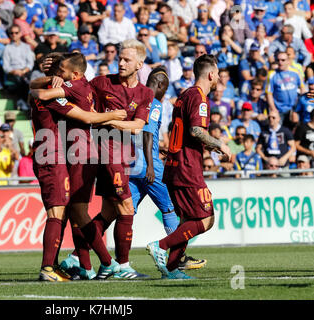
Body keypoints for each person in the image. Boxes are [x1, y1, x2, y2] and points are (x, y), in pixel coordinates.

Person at [29, 52, 127, 281]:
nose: (59, 74)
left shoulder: (70, 88)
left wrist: (109, 117)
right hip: (56, 155)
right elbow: (83, 115)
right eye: (58, 70)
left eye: (59, 70)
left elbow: (38, 89)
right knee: (66, 212)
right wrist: (111, 117)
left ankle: (90, 264)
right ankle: (79, 265)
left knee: (71, 211)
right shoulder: (55, 94)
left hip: (73, 155)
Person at [147, 54, 231, 280]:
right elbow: (196, 130)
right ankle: (161, 246)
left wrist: (207, 146)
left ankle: (172, 270)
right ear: (211, 74)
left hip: (175, 166)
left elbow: (188, 133)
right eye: (217, 75)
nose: (218, 80)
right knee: (206, 219)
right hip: (187, 168)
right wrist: (219, 143)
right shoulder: (199, 97)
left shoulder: (184, 95)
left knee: (187, 221)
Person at [76, 39, 154, 279]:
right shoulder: (101, 82)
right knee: (127, 209)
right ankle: (122, 266)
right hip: (105, 154)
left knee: (109, 211)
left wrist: (109, 119)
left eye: (126, 59)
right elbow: (78, 96)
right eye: (120, 58)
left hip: (123, 157)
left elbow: (137, 127)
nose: (120, 63)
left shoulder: (145, 93)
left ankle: (77, 258)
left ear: (139, 64)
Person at [265, 51, 304, 125]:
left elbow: (302, 88)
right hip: (279, 110)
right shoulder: (272, 74)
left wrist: (298, 108)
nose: (280, 62)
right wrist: (274, 109)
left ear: (288, 61)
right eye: (278, 60)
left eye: (283, 60)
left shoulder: (296, 72)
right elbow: (269, 94)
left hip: (294, 109)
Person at [2, 24, 35, 102]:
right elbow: (5, 67)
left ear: (20, 34)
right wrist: (15, 71)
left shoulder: (26, 47)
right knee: (22, 81)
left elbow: (30, 63)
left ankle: (24, 102)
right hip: (13, 72)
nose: (14, 35)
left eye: (16, 33)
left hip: (25, 71)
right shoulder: (7, 48)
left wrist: (23, 71)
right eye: (12, 33)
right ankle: (24, 102)